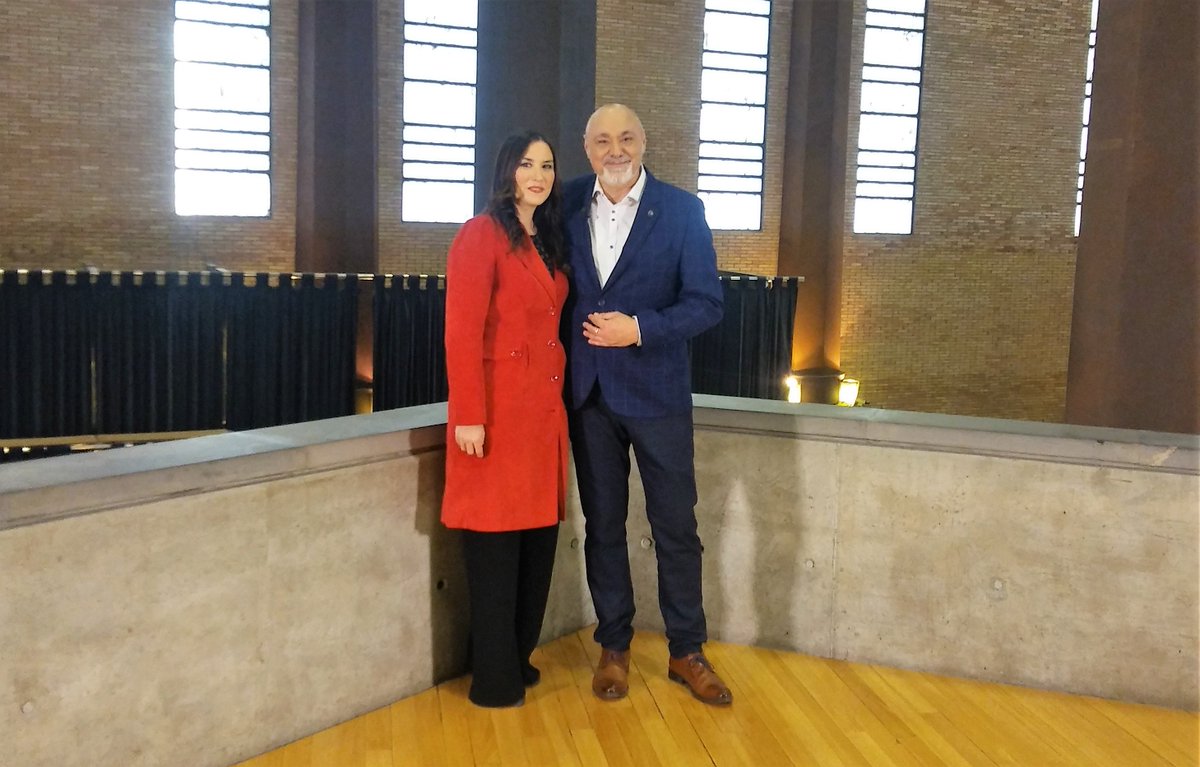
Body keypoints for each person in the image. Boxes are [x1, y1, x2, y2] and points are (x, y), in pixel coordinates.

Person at [561, 104, 731, 705]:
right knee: (603, 526)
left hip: (657, 395)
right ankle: (613, 646)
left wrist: (639, 328)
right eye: (603, 139)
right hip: (589, 396)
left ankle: (687, 651)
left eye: (627, 137)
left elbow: (707, 303)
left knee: (676, 528)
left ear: (644, 142)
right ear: (587, 148)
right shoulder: (565, 202)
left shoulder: (683, 210)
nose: (616, 149)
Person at [441, 131, 570, 708]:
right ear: (506, 172)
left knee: (536, 545)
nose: (538, 175)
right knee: (495, 548)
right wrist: (469, 415)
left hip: (541, 416)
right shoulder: (481, 233)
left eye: (547, 165)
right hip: (496, 417)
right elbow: (461, 331)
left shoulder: (548, 238)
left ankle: (517, 657)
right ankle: (493, 679)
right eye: (526, 164)